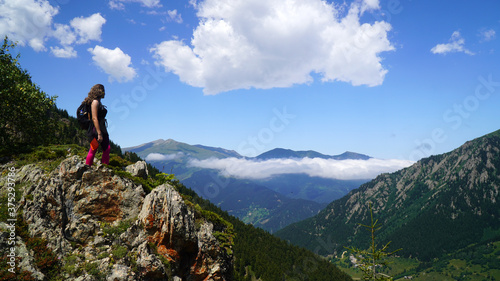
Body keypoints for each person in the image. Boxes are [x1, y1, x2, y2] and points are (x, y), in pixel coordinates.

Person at [84, 84, 110, 166]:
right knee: (103, 148)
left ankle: (88, 167)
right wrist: (99, 133)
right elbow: (94, 118)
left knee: (94, 149)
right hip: (97, 130)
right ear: (99, 91)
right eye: (103, 90)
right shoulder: (95, 102)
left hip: (96, 129)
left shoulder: (96, 101)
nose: (104, 92)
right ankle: (104, 168)